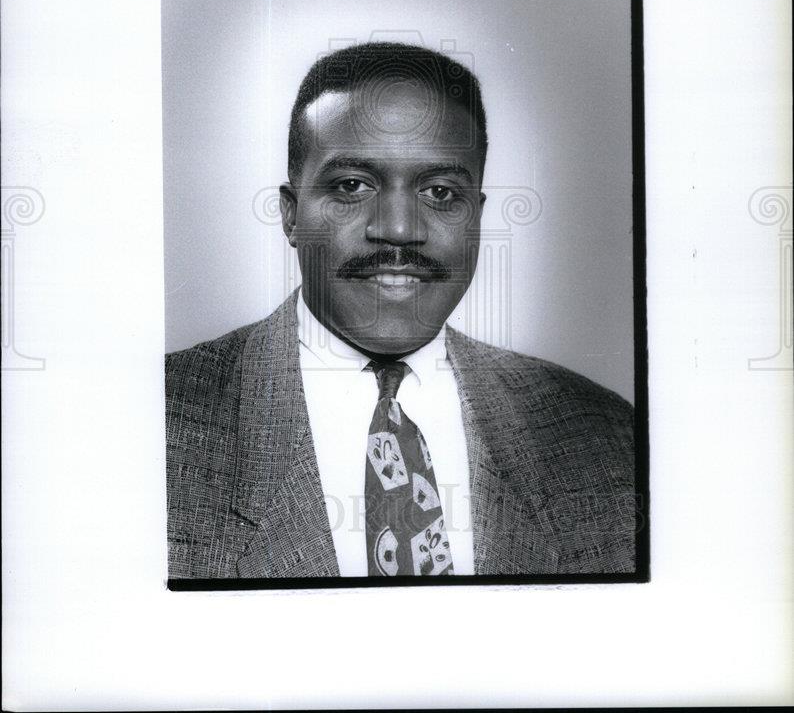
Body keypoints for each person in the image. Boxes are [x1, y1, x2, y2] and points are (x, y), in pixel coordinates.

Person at [166, 42, 636, 579]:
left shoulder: (604, 434)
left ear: (476, 216)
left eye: (439, 191)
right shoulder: (153, 424)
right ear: (291, 215)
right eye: (351, 186)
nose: (398, 229)